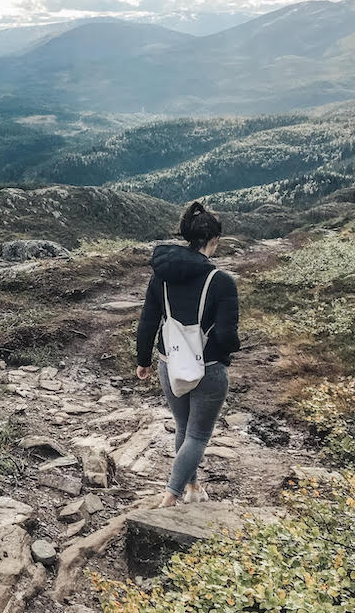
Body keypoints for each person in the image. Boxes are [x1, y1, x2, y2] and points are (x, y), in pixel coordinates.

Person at [135, 201, 240, 507]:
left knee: (183, 428)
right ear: (214, 240)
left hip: (170, 364)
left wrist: (143, 360)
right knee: (197, 436)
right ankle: (171, 495)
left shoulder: (161, 277)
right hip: (207, 369)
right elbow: (226, 336)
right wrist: (231, 349)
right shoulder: (221, 282)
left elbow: (148, 321)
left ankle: (192, 486)